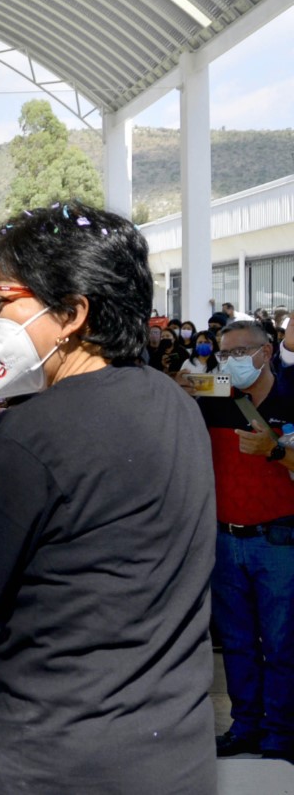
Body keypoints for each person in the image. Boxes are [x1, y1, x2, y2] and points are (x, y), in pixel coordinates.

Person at [0, 204, 215, 792]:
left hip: (61, 762)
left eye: (2, 300)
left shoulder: (29, 435)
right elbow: (92, 541)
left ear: (71, 313)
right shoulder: (174, 405)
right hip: (174, 755)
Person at [199, 319, 294, 763]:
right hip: (223, 539)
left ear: (267, 352)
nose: (232, 362)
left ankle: (280, 732)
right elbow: (170, 388)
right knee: (235, 642)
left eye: (241, 353)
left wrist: (275, 450)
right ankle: (246, 725)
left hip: (278, 539)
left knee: (281, 643)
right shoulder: (214, 390)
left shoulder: (293, 393)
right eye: (225, 354)